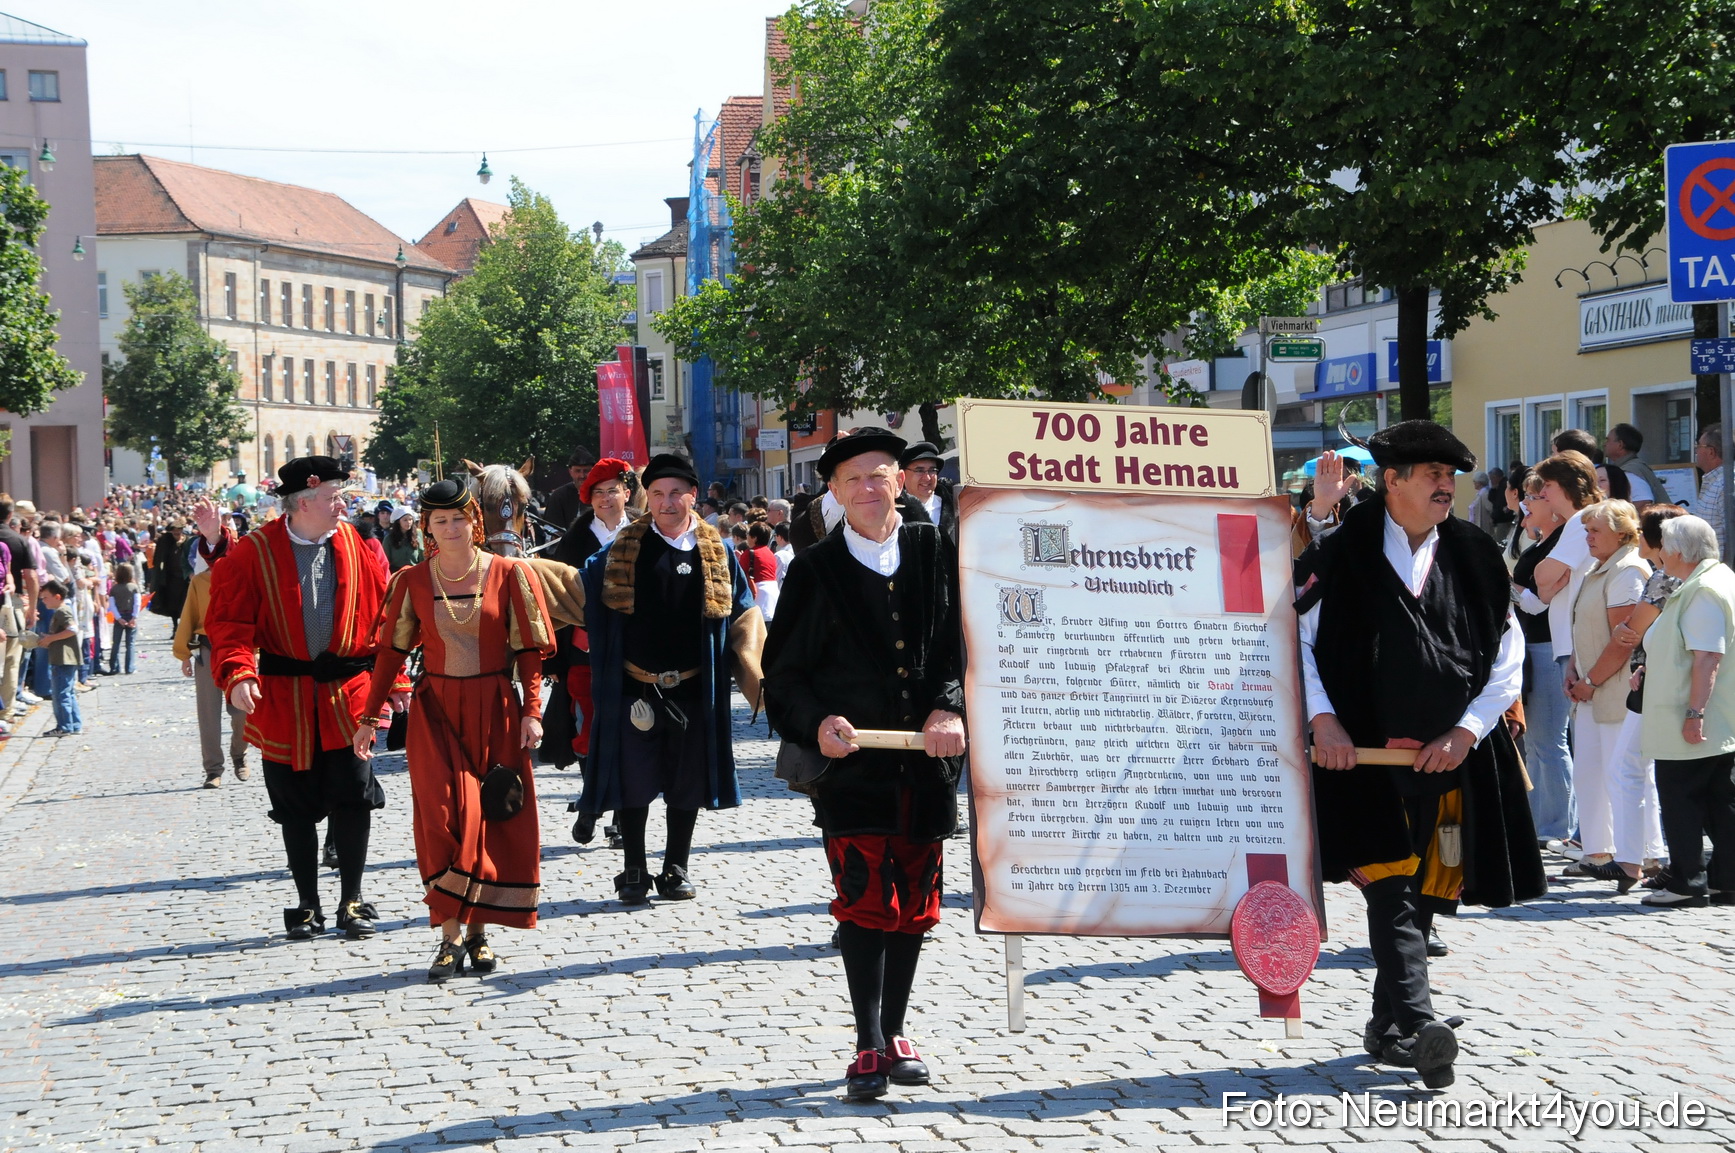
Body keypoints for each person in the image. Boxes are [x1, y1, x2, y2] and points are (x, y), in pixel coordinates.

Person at [1297, 420, 1543, 1090]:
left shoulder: (1473, 552)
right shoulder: (1342, 551)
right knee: (1392, 886)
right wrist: (1323, 719)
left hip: (1448, 759)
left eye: (1449, 475)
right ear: (1392, 480)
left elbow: (1508, 654)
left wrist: (1465, 731)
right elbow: (1293, 639)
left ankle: (1388, 1028)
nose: (1445, 485)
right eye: (1432, 474)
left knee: (1428, 891)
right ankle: (1417, 1021)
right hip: (1361, 762)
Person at [764, 426, 966, 1101]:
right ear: (834, 490)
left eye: (878, 475)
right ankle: (867, 1040)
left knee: (915, 903)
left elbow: (961, 646)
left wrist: (947, 707)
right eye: (852, 478)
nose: (867, 488)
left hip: (927, 764)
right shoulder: (815, 569)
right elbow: (783, 675)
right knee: (863, 900)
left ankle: (898, 1030)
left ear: (899, 481)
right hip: (852, 771)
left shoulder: (934, 549)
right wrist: (816, 724)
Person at [356, 478, 556, 980]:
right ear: (426, 527)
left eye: (458, 519)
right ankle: (448, 936)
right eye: (439, 521)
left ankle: (477, 935)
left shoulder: (508, 573)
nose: (449, 528)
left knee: (487, 818)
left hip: (495, 710)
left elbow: (529, 651)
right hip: (436, 713)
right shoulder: (411, 581)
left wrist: (532, 711)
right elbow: (390, 655)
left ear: (475, 522)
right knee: (441, 818)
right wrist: (368, 718)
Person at [205, 456, 409, 941]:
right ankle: (307, 904)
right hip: (284, 699)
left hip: (349, 697)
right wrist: (238, 672)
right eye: (334, 497)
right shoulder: (254, 552)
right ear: (303, 502)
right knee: (294, 806)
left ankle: (352, 900)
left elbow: (384, 620)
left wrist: (396, 678)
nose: (343, 505)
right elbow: (229, 621)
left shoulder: (361, 546)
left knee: (354, 798)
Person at [578, 453, 762, 905]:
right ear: (647, 498)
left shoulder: (717, 552)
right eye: (658, 493)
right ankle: (634, 868)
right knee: (633, 780)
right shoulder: (622, 549)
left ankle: (676, 867)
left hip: (695, 687)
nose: (666, 502)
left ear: (693, 495)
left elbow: (745, 614)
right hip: (635, 688)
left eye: (676, 493)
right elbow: (577, 588)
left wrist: (761, 674)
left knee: (687, 781)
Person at [1637, 514, 1735, 907]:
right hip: (1716, 716)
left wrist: (1695, 714)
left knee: (1682, 800)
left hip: (1691, 717)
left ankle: (1686, 883)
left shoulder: (1703, 590)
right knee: (1719, 800)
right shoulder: (1715, 580)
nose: (1660, 551)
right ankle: (1726, 880)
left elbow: (1708, 655)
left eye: (1663, 545)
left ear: (1678, 551)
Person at [548, 458, 637, 836]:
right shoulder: (576, 537)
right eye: (597, 492)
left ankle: (620, 815)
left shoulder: (645, 530)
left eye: (612, 491)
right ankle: (593, 799)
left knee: (631, 732)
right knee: (587, 729)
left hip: (637, 652)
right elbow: (557, 599)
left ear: (626, 493)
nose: (605, 498)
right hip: (585, 650)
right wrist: (554, 659)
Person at [1563, 501, 1649, 885]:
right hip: (1591, 686)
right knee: (1589, 774)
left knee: (1621, 777)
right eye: (1586, 530)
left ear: (1622, 532)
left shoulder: (1628, 570)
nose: (1588, 537)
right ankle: (1597, 852)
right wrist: (1573, 668)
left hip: (1615, 689)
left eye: (1595, 530)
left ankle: (1638, 857)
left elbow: (1623, 640)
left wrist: (1591, 681)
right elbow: (1584, 626)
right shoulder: (1599, 567)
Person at [1527, 452, 1606, 851]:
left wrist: (1549, 581)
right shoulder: (1579, 521)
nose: (1542, 494)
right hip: (1568, 641)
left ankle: (1585, 836)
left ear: (1567, 486)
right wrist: (1548, 582)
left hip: (1574, 643)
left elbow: (1543, 576)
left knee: (1586, 743)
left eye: (1548, 486)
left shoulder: (1578, 521)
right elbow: (1542, 584)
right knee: (1582, 741)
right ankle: (1586, 836)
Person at [174, 563, 249, 786]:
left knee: (243, 711)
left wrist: (255, 651)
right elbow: (189, 616)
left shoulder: (242, 577)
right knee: (208, 714)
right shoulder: (199, 581)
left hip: (237, 649)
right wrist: (184, 654)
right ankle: (213, 769)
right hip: (207, 649)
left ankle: (239, 753)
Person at [38, 578, 82, 736]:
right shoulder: (61, 610)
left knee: (60, 694)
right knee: (68, 693)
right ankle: (74, 724)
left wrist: (50, 639)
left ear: (57, 597)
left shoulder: (62, 611)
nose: (43, 601)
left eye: (45, 597)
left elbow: (72, 629)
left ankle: (64, 726)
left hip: (63, 659)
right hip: (65, 658)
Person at [899, 442, 957, 542]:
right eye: (919, 470)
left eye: (932, 470)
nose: (927, 477)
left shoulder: (957, 507)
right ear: (902, 475)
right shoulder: (892, 512)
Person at [1603, 424, 1660, 510]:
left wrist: (1620, 516)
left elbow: (1643, 501)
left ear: (1620, 445)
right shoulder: (1634, 466)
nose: (1604, 444)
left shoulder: (1629, 471)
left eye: (1608, 440)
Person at [1693, 425, 1725, 559]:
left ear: (1711, 451)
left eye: (1699, 446)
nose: (1696, 451)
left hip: (1724, 568)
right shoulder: (1714, 480)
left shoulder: (1726, 485)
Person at [543, 449, 592, 533]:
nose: (582, 475)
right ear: (570, 472)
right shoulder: (558, 496)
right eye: (578, 471)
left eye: (586, 471)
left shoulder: (601, 495)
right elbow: (550, 528)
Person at [742, 521, 781, 621]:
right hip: (774, 594)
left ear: (754, 538)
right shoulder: (771, 553)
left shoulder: (749, 553)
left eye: (748, 534)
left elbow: (741, 575)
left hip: (758, 595)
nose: (747, 537)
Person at [108, 562, 140, 675]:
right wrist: (134, 617)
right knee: (130, 643)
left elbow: (112, 605)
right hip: (130, 615)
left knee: (116, 643)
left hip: (119, 617)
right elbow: (137, 603)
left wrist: (118, 618)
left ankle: (114, 667)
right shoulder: (134, 587)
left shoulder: (114, 589)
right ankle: (129, 667)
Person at [384, 507, 424, 572]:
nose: (408, 522)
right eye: (405, 520)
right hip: (396, 572)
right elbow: (385, 559)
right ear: (398, 521)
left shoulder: (418, 535)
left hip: (415, 572)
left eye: (410, 519)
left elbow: (422, 555)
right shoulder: (389, 538)